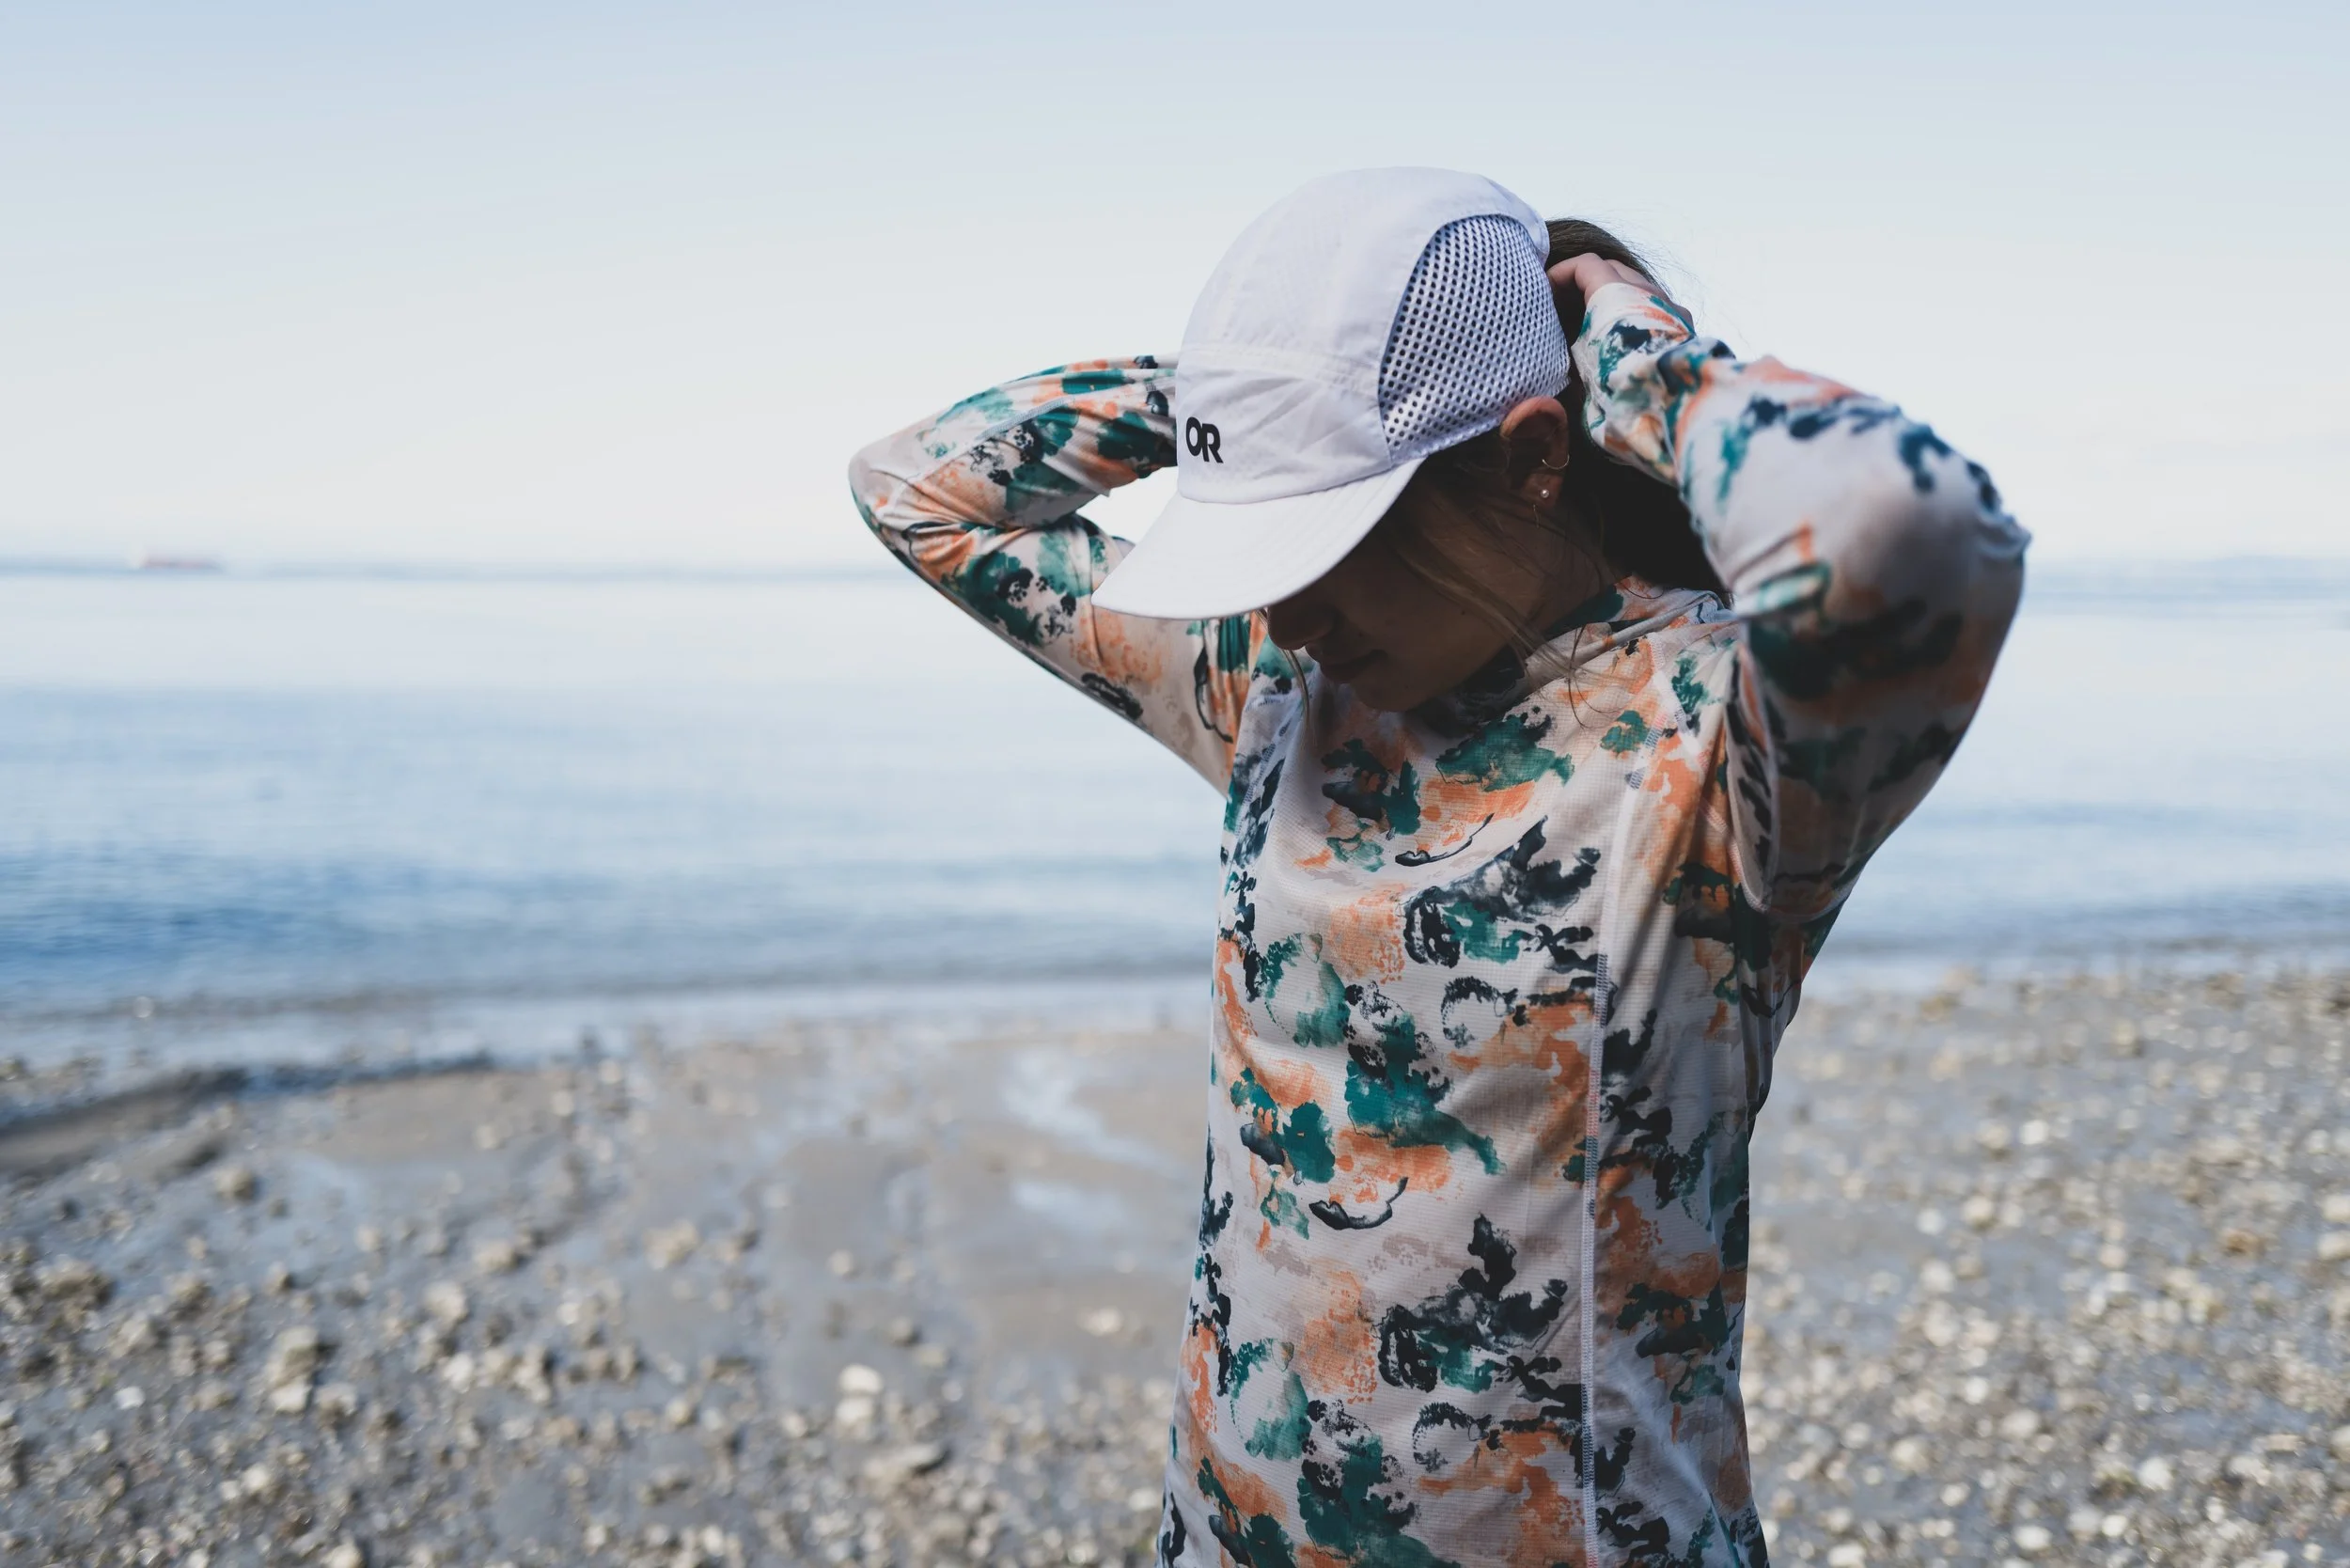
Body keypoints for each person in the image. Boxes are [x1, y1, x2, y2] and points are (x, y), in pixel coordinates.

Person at [849, 167, 2026, 1568]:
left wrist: (1628, 353)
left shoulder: (1715, 752)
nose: (1288, 601)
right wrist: (1247, 410)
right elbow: (920, 494)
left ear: (1536, 459)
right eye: (1264, 540)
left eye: (1334, 535)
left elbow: (1912, 533)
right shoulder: (1271, 695)